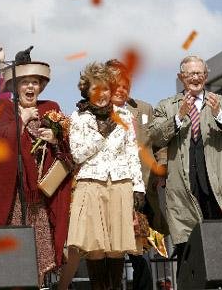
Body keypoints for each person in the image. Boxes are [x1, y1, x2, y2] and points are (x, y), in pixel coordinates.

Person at [149, 55, 222, 275]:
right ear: (181, 77)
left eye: (199, 73)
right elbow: (155, 136)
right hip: (184, 185)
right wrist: (179, 117)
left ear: (206, 75)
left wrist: (219, 115)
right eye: (190, 73)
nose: (195, 78)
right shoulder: (166, 106)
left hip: (218, 183)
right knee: (188, 245)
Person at [0, 49, 72, 286]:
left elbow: (67, 152)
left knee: (38, 260)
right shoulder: (4, 108)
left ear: (41, 86)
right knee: (15, 261)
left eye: (34, 82)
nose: (30, 87)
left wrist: (56, 140)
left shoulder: (51, 108)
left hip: (41, 199)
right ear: (15, 86)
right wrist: (23, 120)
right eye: (25, 82)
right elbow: (0, 137)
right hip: (15, 197)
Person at [67, 62, 145, 290]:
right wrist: (101, 133)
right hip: (90, 184)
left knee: (117, 247)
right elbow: (78, 153)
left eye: (106, 89)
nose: (101, 95)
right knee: (94, 247)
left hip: (121, 183)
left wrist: (138, 187)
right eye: (95, 89)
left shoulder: (124, 115)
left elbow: (132, 153)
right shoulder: (78, 116)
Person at [105, 59, 169, 290]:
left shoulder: (144, 109)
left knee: (141, 251)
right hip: (110, 191)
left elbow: (160, 142)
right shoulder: (97, 112)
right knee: (111, 251)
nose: (121, 87)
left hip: (142, 191)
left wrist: (161, 168)